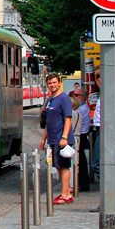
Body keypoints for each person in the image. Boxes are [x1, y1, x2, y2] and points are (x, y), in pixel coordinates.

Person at [39, 72, 74, 204]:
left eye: (54, 83)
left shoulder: (64, 98)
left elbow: (68, 119)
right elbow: (49, 121)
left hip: (61, 139)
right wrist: (43, 138)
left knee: (64, 166)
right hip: (53, 138)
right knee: (58, 166)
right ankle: (64, 193)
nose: (52, 85)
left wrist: (64, 137)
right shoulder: (50, 100)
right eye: (50, 83)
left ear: (59, 83)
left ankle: (65, 194)